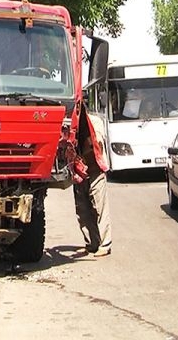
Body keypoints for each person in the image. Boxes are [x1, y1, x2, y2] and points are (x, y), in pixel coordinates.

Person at [71, 107, 112, 257]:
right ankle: (91, 243)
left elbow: (97, 144)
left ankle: (105, 243)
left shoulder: (95, 122)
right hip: (79, 172)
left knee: (99, 207)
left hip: (95, 169)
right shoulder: (71, 125)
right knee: (82, 209)